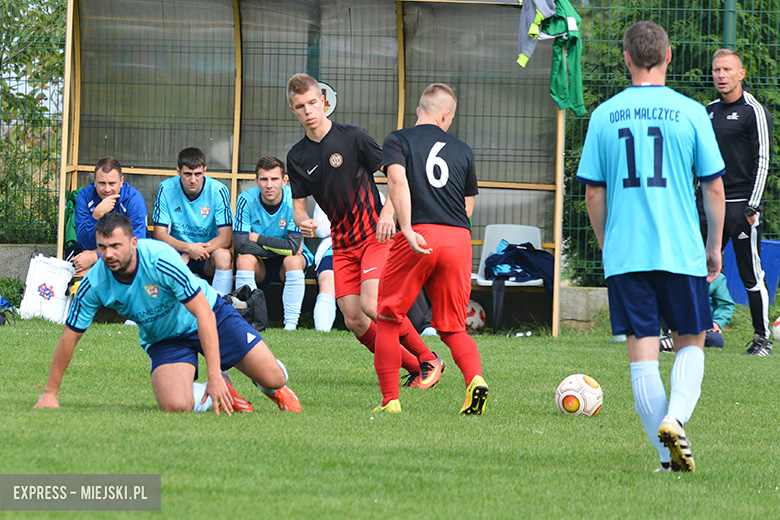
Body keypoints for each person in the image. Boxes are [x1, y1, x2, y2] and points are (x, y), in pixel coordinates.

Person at [576, 21, 725, 472]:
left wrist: (608, 246)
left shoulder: (605, 115)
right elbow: (714, 189)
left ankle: (667, 460)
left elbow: (593, 194)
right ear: (669, 55)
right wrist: (713, 246)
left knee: (642, 353)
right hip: (679, 250)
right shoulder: (692, 112)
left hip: (627, 254)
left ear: (625, 58)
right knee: (691, 343)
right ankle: (675, 419)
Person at [34, 213, 301, 414]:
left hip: (210, 315)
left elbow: (203, 314)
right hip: (164, 338)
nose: (109, 254)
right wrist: (49, 393)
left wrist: (213, 373)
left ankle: (267, 386)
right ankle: (225, 391)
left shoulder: (161, 260)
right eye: (102, 247)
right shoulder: (95, 284)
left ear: (134, 242)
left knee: (274, 377)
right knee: (174, 404)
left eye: (116, 245)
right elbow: (70, 336)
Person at [285, 73, 444, 387]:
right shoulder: (297, 157)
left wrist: (388, 213)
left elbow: (397, 177)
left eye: (313, 103)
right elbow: (299, 207)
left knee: (372, 305)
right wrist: (302, 220)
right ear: (293, 110)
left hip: (376, 235)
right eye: (301, 106)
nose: (308, 111)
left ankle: (429, 358)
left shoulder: (354, 137)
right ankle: (414, 366)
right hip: (341, 243)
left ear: (324, 102)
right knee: (355, 319)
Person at [373, 83, 486, 414]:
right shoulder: (463, 149)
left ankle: (390, 401)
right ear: (446, 114)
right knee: (452, 327)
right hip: (458, 239)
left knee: (388, 317)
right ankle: (475, 381)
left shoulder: (398, 139)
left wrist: (405, 227)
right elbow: (467, 206)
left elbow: (397, 181)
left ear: (419, 110)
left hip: (420, 233)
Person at [703, 49, 774, 356]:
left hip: (741, 207)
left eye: (727, 70)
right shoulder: (707, 112)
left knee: (750, 274)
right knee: (695, 270)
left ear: (741, 74)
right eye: (717, 70)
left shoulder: (753, 111)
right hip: (708, 206)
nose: (721, 75)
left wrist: (752, 207)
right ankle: (684, 333)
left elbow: (763, 160)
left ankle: (762, 339)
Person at [233, 156, 314, 331]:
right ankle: (248, 322)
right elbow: (240, 244)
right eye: (264, 179)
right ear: (256, 181)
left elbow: (293, 248)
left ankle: (290, 326)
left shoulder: (294, 199)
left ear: (284, 180)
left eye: (274, 179)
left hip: (287, 263)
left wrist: (258, 238)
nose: (269, 185)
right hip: (259, 262)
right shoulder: (245, 199)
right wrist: (281, 249)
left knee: (293, 260)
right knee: (244, 260)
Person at [152, 148, 234, 296]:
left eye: (198, 174)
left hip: (207, 253)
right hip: (177, 253)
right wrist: (187, 248)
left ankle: (221, 307)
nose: (193, 180)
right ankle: (153, 308)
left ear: (205, 171)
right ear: (178, 172)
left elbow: (226, 238)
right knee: (154, 255)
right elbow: (159, 234)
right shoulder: (165, 188)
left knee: (224, 256)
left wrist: (192, 252)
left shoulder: (219, 190)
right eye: (187, 174)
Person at [69, 156, 147, 280]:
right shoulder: (84, 196)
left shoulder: (134, 199)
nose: (107, 189)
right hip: (95, 251)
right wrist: (96, 215)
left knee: (89, 267)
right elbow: (84, 243)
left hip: (127, 258)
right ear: (94, 181)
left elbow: (138, 244)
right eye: (101, 183)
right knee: (80, 271)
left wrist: (96, 256)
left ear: (121, 181)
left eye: (112, 183)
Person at [660, 272, 735, 351]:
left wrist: (717, 322)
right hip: (675, 323)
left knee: (715, 340)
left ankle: (668, 342)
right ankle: (670, 339)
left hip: (703, 326)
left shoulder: (715, 277)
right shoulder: (671, 273)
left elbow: (725, 304)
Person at [312, 203, 337, 332]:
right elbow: (322, 230)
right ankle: (322, 332)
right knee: (327, 281)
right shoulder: (324, 196)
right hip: (332, 248)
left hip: (366, 249)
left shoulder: (376, 195)